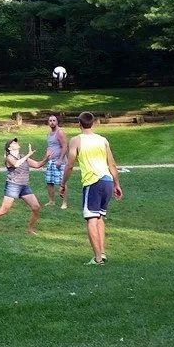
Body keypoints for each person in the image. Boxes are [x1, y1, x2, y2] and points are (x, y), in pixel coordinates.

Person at [59, 112, 123, 265]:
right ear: (93, 123)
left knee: (91, 219)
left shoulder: (76, 140)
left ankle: (98, 258)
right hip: (107, 180)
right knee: (100, 217)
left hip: (93, 182)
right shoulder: (103, 140)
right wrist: (116, 184)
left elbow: (69, 165)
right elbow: (112, 164)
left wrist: (62, 184)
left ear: (79, 124)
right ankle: (102, 253)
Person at [0, 138, 44, 235]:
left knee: (36, 207)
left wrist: (48, 157)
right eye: (13, 142)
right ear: (9, 148)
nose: (16, 143)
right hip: (13, 185)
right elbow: (16, 164)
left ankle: (30, 230)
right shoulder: (9, 157)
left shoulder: (22, 156)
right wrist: (28, 154)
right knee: (4, 209)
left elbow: (38, 165)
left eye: (16, 142)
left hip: (24, 186)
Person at [43, 116, 68, 209]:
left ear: (57, 122)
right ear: (48, 122)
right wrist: (46, 158)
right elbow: (50, 147)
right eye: (50, 121)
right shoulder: (49, 134)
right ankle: (51, 201)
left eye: (54, 120)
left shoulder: (59, 132)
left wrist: (60, 159)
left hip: (59, 161)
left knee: (62, 182)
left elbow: (65, 146)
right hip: (51, 161)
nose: (52, 122)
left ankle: (64, 203)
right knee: (49, 182)